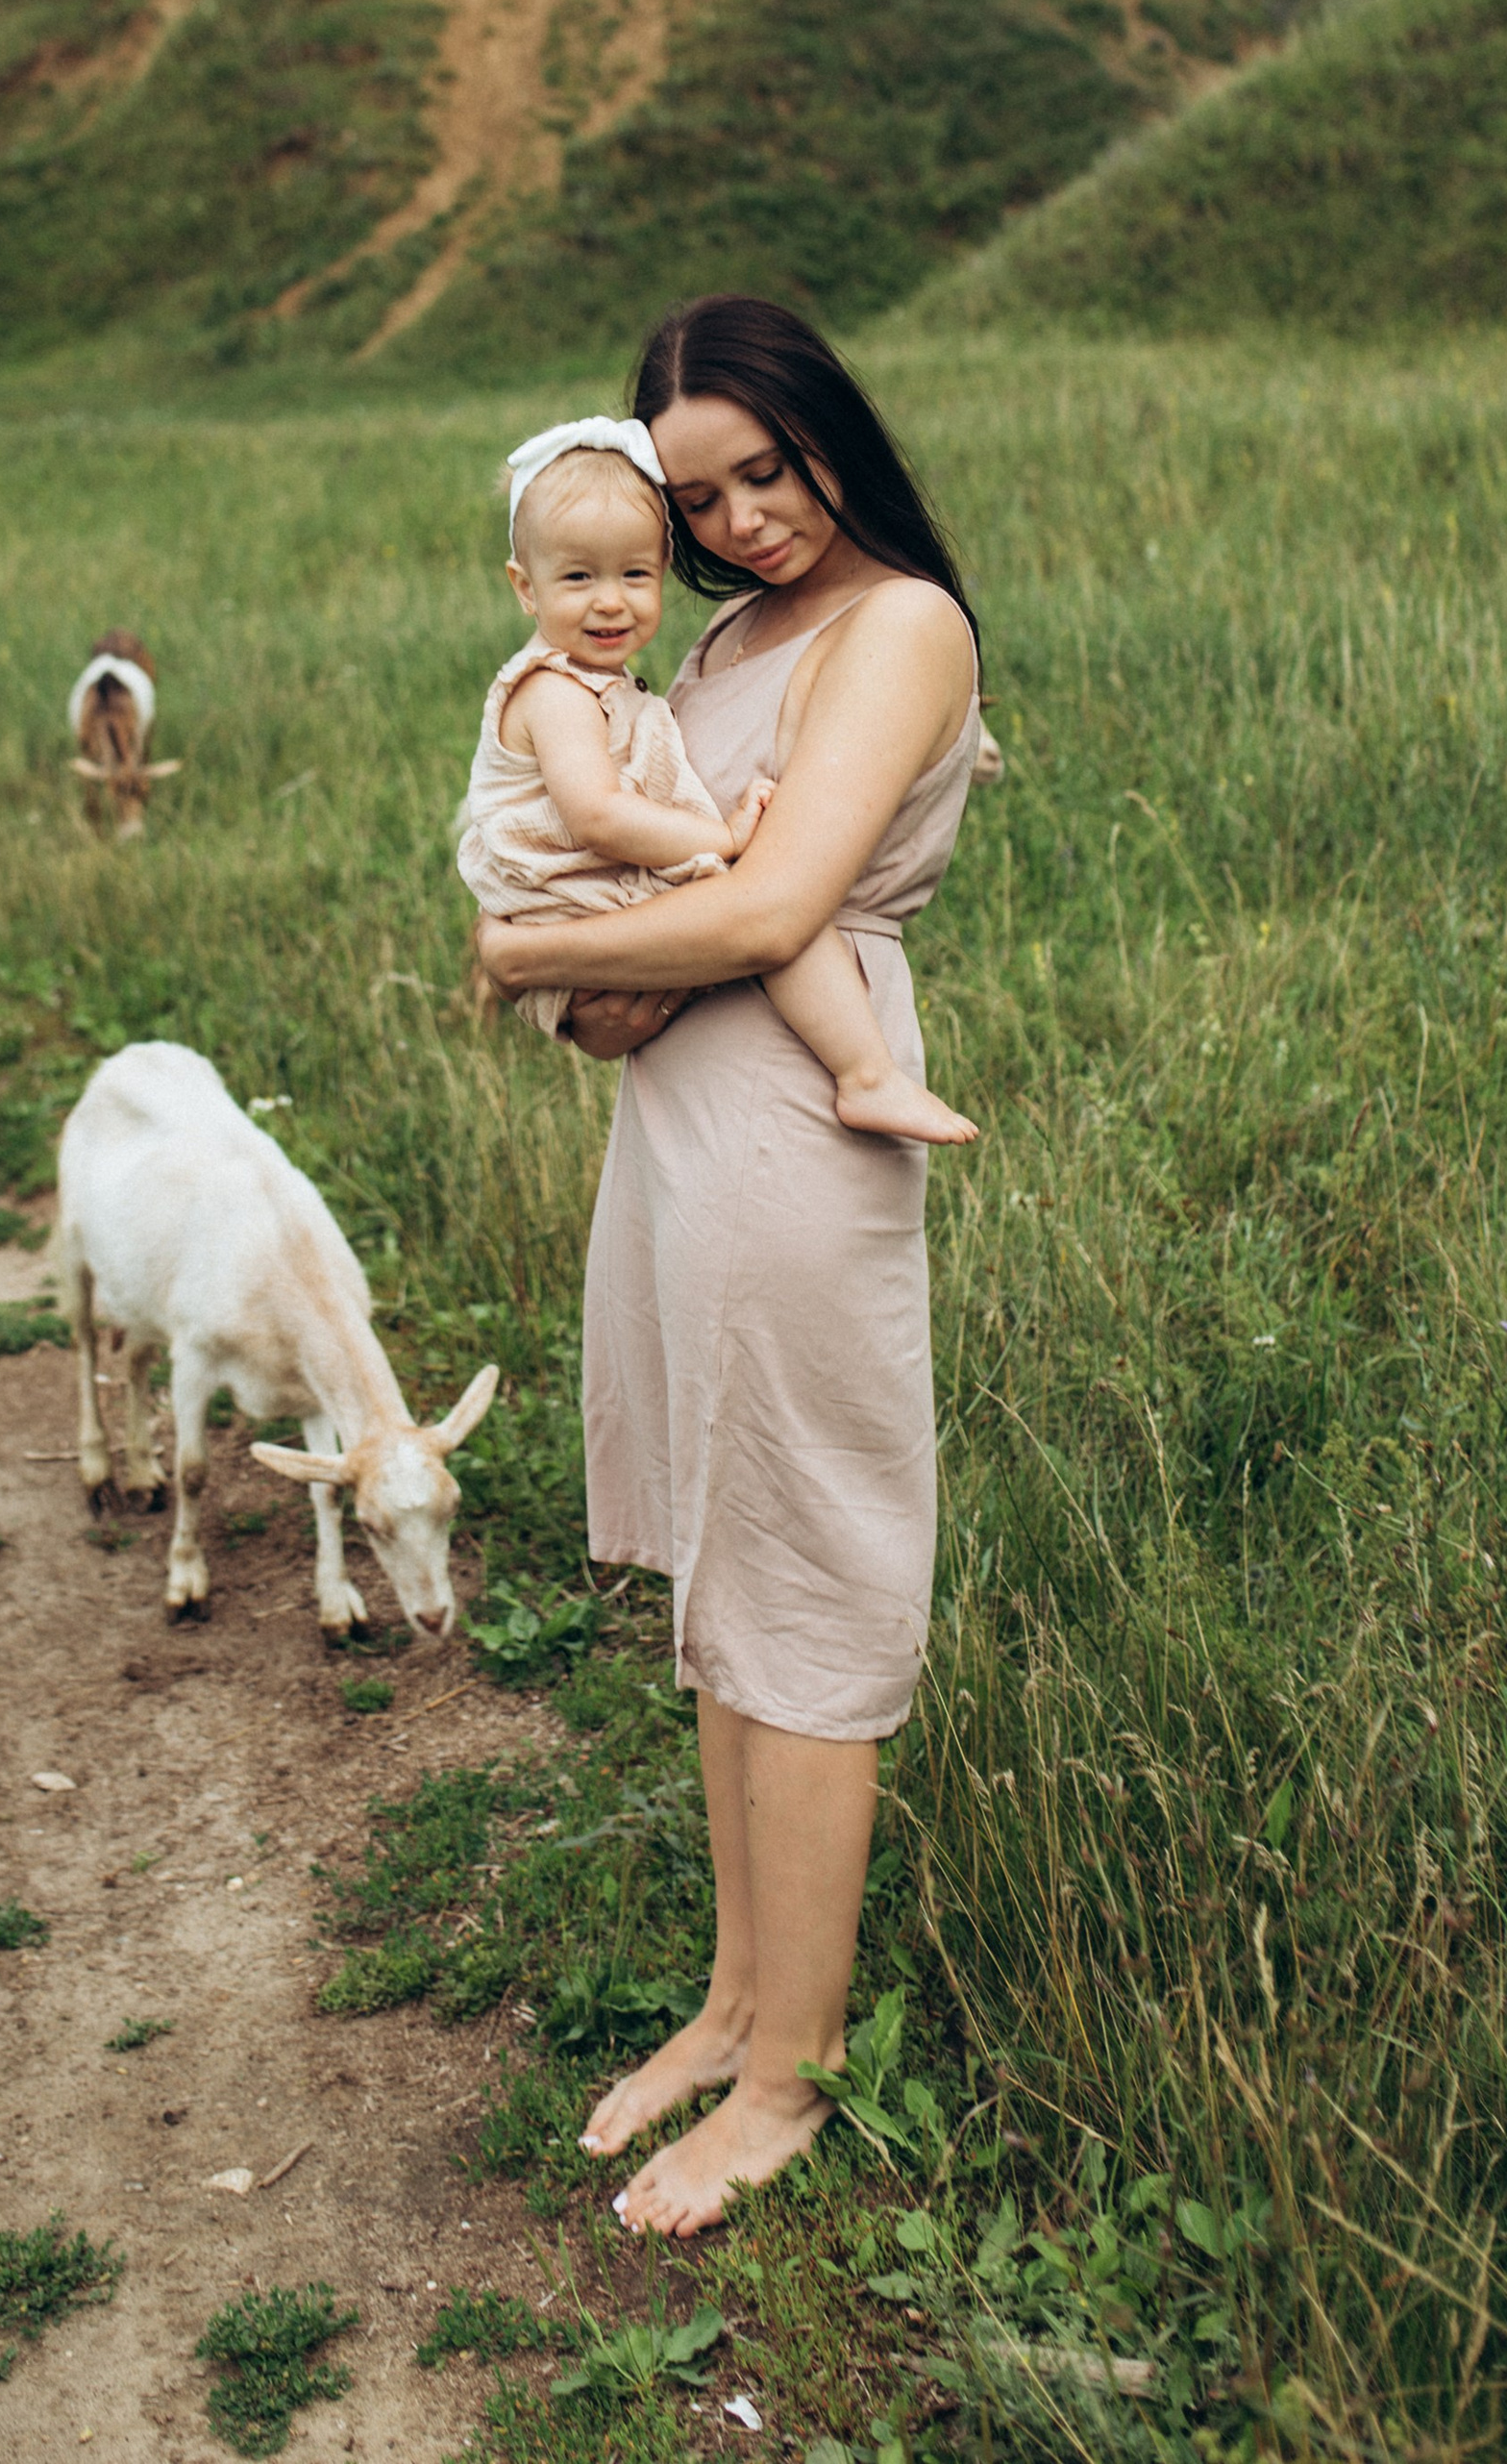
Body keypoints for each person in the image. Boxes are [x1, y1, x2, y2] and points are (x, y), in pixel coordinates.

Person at [475, 296, 983, 2238]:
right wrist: (582, 997)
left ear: (824, 431)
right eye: (698, 497)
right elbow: (647, 889)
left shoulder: (897, 623)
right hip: (675, 1124)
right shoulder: (713, 639)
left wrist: (521, 961)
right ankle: (731, 1999)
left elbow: (771, 899)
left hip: (796, 1130)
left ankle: (791, 2072)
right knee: (724, 1569)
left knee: (811, 1577)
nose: (745, 520)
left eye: (765, 471)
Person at [457, 415, 977, 1144]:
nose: (610, 600)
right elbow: (599, 817)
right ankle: (866, 1074)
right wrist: (724, 837)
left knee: (752, 897)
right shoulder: (566, 689)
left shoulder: (899, 623)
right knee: (728, 880)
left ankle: (868, 1074)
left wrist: (518, 957)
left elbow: (770, 914)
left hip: (770, 1104)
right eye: (578, 577)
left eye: (634, 575)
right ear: (526, 588)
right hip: (653, 1048)